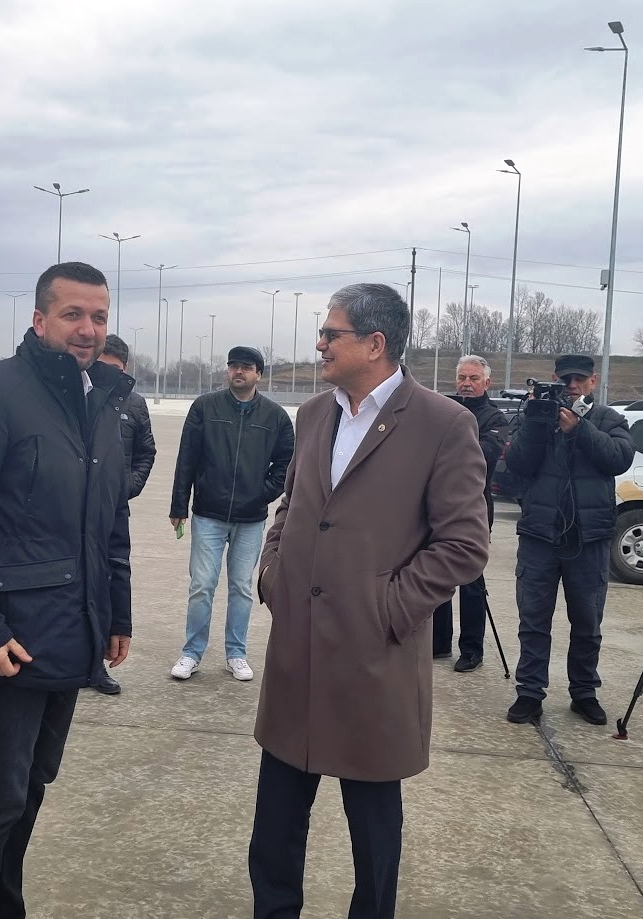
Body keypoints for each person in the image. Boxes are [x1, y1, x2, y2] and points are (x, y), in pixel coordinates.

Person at [249, 283, 490, 919]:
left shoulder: (443, 424)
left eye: (332, 334)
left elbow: (464, 545)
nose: (320, 344)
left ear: (375, 343)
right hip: (297, 650)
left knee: (373, 832)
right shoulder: (313, 415)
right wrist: (273, 571)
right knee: (274, 830)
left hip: (372, 657)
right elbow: (292, 505)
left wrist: (389, 606)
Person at [0, 261, 133, 919]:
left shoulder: (101, 400)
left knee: (33, 788)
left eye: (98, 316)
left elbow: (110, 516)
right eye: (73, 314)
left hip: (73, 626)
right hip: (13, 639)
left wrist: (117, 612)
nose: (88, 328)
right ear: (40, 319)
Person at [504, 354, 634, 727]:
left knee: (587, 621)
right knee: (533, 620)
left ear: (593, 381)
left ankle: (584, 693)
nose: (572, 385)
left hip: (588, 538)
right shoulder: (535, 417)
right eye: (565, 380)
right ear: (554, 380)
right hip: (540, 536)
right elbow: (516, 464)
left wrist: (579, 429)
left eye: (579, 379)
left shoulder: (608, 419)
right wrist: (536, 422)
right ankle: (530, 693)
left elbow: (619, 458)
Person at [169, 345, 294, 683]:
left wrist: (262, 493)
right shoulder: (205, 407)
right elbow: (187, 457)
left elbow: (286, 464)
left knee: (241, 587)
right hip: (208, 513)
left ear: (258, 374)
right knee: (202, 585)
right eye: (234, 366)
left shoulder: (275, 417)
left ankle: (236, 653)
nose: (239, 371)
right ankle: (192, 652)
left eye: (246, 367)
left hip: (250, 519)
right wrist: (179, 505)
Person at [89, 333, 155, 695]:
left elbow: (147, 451)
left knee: (112, 574)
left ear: (125, 368)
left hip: (114, 505)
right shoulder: (80, 399)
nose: (105, 375)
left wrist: (129, 485)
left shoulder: (135, 404)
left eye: (113, 368)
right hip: (75, 506)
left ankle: (97, 664)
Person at [433, 354, 509, 672]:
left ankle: (472, 649)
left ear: (486, 383)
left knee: (471, 579)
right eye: (462, 377)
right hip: (436, 505)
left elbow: (483, 456)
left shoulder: (495, 418)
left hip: (473, 509)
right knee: (436, 573)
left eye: (473, 378)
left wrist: (444, 448)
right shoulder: (442, 409)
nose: (466, 383)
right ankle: (438, 642)